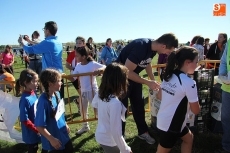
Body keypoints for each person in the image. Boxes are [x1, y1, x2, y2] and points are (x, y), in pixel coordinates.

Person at [116, 33, 178, 144]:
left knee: (139, 106)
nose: (167, 54)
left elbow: (147, 63)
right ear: (163, 46)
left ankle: (143, 132)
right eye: (168, 51)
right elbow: (127, 72)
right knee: (121, 109)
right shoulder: (141, 46)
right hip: (120, 79)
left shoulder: (153, 48)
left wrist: (153, 79)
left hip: (134, 78)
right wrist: (147, 82)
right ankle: (120, 137)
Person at [156, 46, 200, 153]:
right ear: (187, 62)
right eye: (196, 61)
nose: (197, 65)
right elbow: (196, 110)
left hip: (165, 119)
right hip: (172, 125)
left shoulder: (169, 74)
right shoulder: (189, 82)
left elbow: (159, 96)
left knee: (189, 139)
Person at [18, 21, 64, 99]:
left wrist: (22, 43)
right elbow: (41, 45)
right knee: (59, 102)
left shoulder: (48, 42)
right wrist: (29, 41)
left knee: (51, 102)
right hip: (59, 74)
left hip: (51, 77)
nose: (44, 32)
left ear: (47, 30)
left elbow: (31, 50)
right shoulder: (57, 42)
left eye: (44, 29)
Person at [92, 63, 132, 153]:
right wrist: (126, 149)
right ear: (118, 81)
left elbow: (94, 104)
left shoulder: (100, 93)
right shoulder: (115, 103)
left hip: (101, 135)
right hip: (109, 140)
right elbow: (116, 131)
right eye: (124, 79)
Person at [34, 69, 73, 153]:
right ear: (50, 84)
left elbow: (59, 113)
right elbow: (39, 126)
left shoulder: (57, 94)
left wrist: (65, 123)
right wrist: (51, 139)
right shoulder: (43, 101)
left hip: (63, 136)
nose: (61, 83)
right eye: (59, 81)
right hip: (53, 143)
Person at [68, 46, 105, 135]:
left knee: (97, 109)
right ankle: (85, 126)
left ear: (84, 56)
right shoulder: (78, 66)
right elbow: (74, 78)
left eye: (77, 56)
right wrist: (66, 77)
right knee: (82, 110)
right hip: (83, 91)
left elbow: (105, 66)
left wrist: (100, 69)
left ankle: (102, 127)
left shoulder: (92, 64)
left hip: (93, 91)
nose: (75, 57)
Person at [15, 69, 41, 153]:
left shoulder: (33, 93)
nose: (37, 83)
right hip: (31, 133)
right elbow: (24, 119)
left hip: (37, 129)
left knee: (35, 148)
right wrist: (36, 129)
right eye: (35, 81)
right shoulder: (24, 99)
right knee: (33, 149)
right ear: (26, 83)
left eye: (37, 81)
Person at [65, 36, 85, 113]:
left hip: (85, 75)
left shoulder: (87, 53)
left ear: (84, 44)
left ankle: (78, 102)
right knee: (82, 93)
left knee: (84, 94)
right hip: (75, 77)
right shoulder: (72, 53)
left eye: (80, 43)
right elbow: (67, 65)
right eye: (77, 43)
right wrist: (75, 69)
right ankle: (81, 108)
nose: (78, 44)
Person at [219, 38, 230, 153]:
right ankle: (227, 146)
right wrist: (222, 75)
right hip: (228, 88)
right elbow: (223, 61)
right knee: (226, 118)